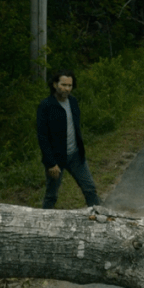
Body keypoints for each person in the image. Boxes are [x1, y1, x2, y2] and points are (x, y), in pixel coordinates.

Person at [36, 69, 100, 208]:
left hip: (76, 156)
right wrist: (51, 163)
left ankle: (99, 220)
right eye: (63, 85)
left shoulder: (73, 101)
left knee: (90, 189)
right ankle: (44, 223)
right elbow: (42, 137)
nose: (67, 89)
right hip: (56, 160)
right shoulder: (46, 106)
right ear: (54, 85)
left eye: (70, 85)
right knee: (51, 196)